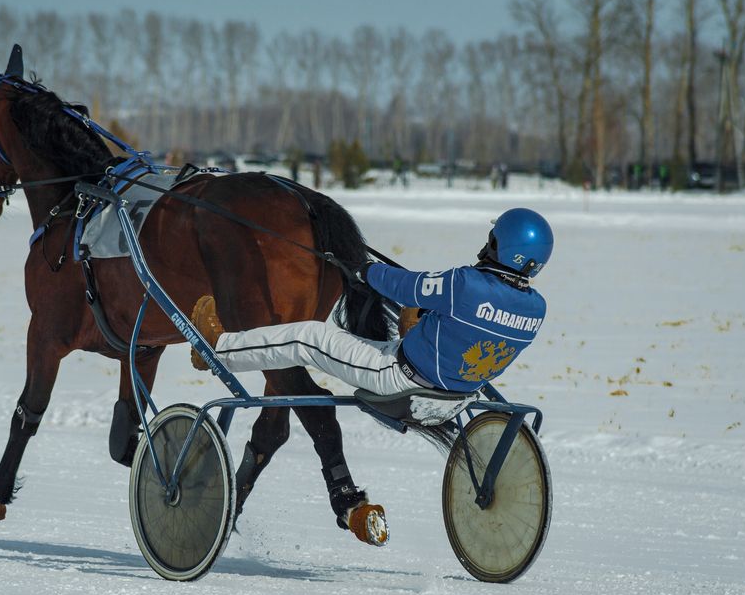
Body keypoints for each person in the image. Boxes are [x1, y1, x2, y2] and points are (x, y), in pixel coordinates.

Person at [189, 208, 552, 544]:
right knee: (354, 339)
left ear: (501, 246)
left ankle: (217, 349)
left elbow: (405, 287)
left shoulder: (465, 284)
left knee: (308, 337)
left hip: (395, 378)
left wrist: (365, 271)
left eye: (493, 239)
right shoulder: (537, 309)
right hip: (454, 396)